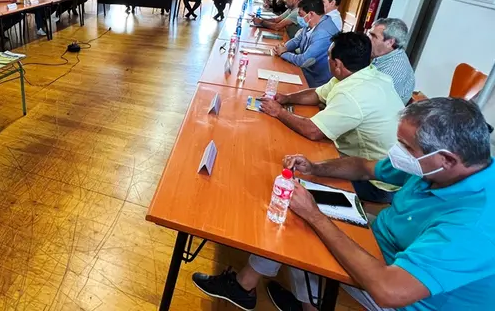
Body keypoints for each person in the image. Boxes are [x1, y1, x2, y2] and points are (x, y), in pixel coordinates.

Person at [193, 97, 495, 311]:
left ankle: (278, 293)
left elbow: (389, 290)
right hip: (380, 242)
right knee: (300, 218)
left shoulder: (477, 223)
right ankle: (303, 301)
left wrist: (316, 216)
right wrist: (314, 168)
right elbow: (365, 167)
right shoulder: (434, 166)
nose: (397, 152)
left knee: (304, 228)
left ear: (448, 159)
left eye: (406, 147)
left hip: (409, 295)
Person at [263, 31, 405, 202]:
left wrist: (279, 112)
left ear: (337, 64)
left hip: (376, 182)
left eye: (328, 57)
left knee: (288, 173)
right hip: (365, 163)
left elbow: (313, 131)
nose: (327, 60)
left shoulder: (353, 93)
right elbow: (317, 94)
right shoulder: (364, 74)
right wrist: (287, 99)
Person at [271, 0, 340, 87]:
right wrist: (284, 47)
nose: (299, 17)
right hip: (306, 71)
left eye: (300, 14)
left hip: (316, 80)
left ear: (310, 14)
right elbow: (297, 40)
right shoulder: (312, 23)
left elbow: (304, 61)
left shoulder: (323, 33)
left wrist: (283, 53)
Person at [368, 18, 416, 105]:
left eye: (373, 36)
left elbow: (369, 102)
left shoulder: (393, 70)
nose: (368, 39)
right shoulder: (383, 55)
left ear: (389, 42)